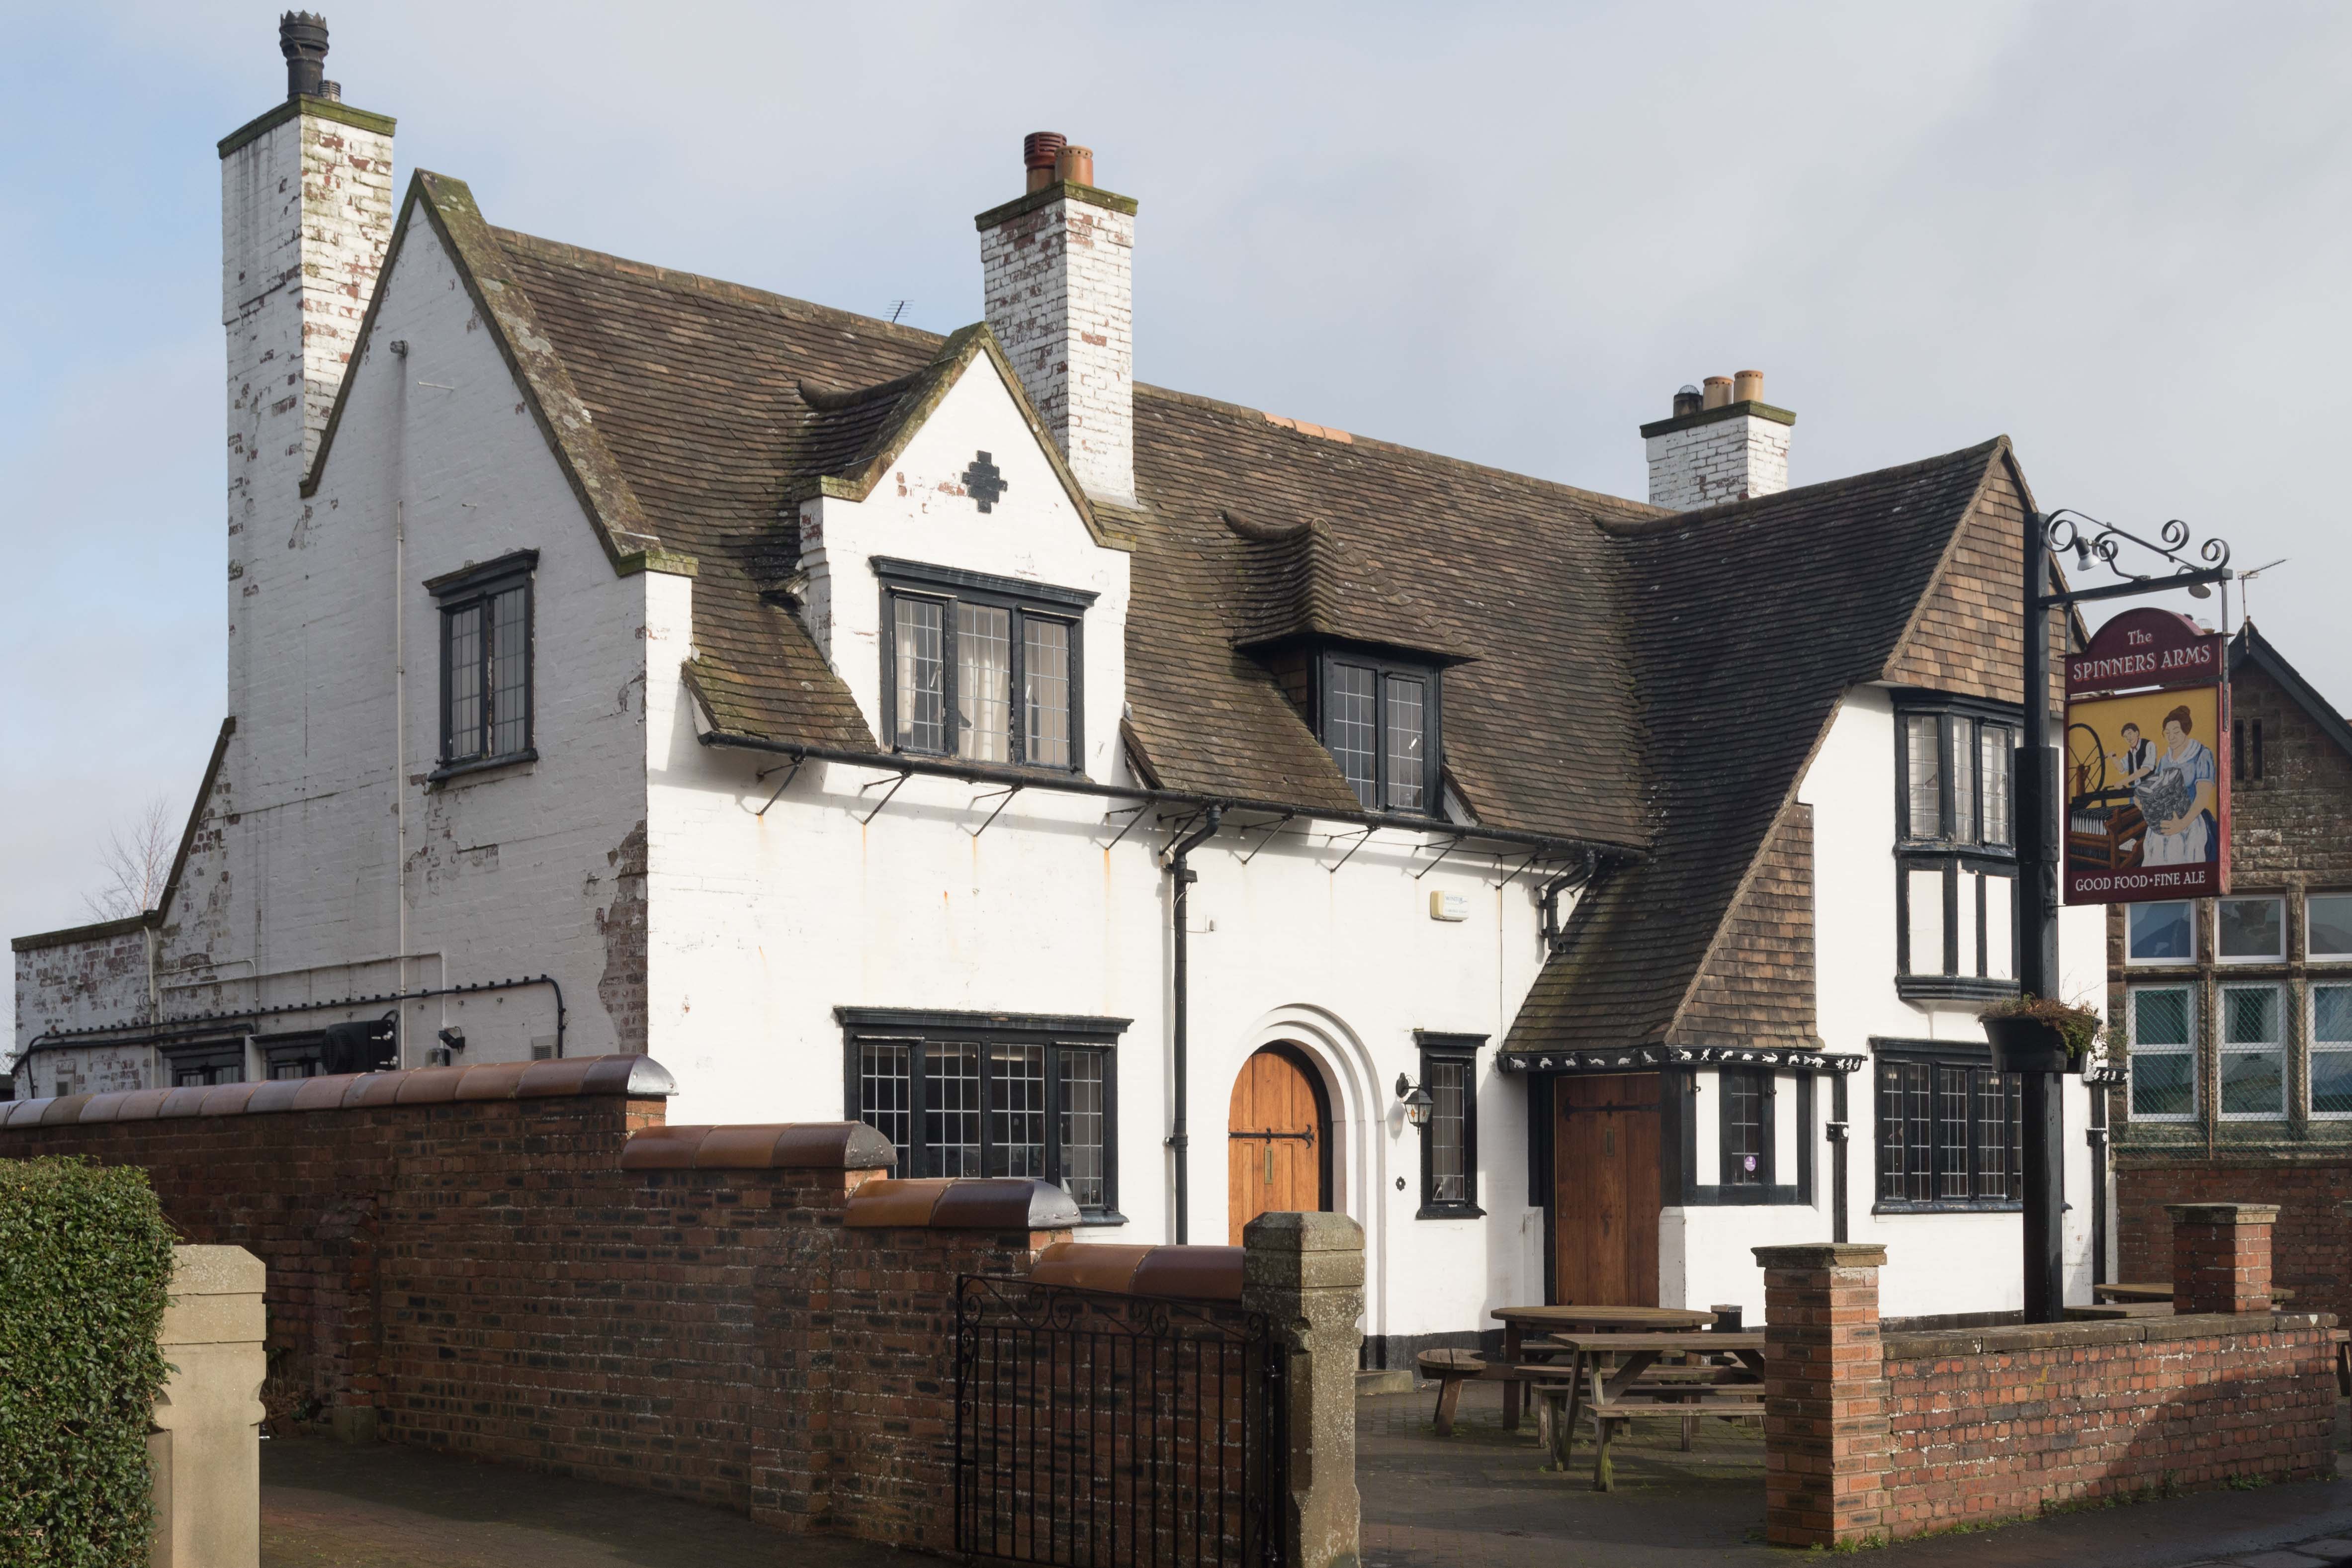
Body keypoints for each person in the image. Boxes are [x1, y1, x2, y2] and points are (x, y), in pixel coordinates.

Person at [2141, 705, 2218, 867]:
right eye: (2167, 733)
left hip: (2192, 817)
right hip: (2166, 817)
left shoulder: (2202, 755)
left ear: (2186, 731)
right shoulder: (2165, 760)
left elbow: (2202, 798)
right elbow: (2157, 793)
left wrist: (2181, 824)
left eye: (2176, 732)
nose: (2171, 737)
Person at [2110, 722, 2155, 788]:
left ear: (2137, 733)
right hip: (2134, 787)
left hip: (2150, 785)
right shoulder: (2130, 753)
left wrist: (2122, 782)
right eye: (2125, 737)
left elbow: (2146, 769)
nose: (2128, 738)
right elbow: (2121, 769)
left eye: (2130, 734)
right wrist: (2113, 757)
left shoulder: (2149, 745)